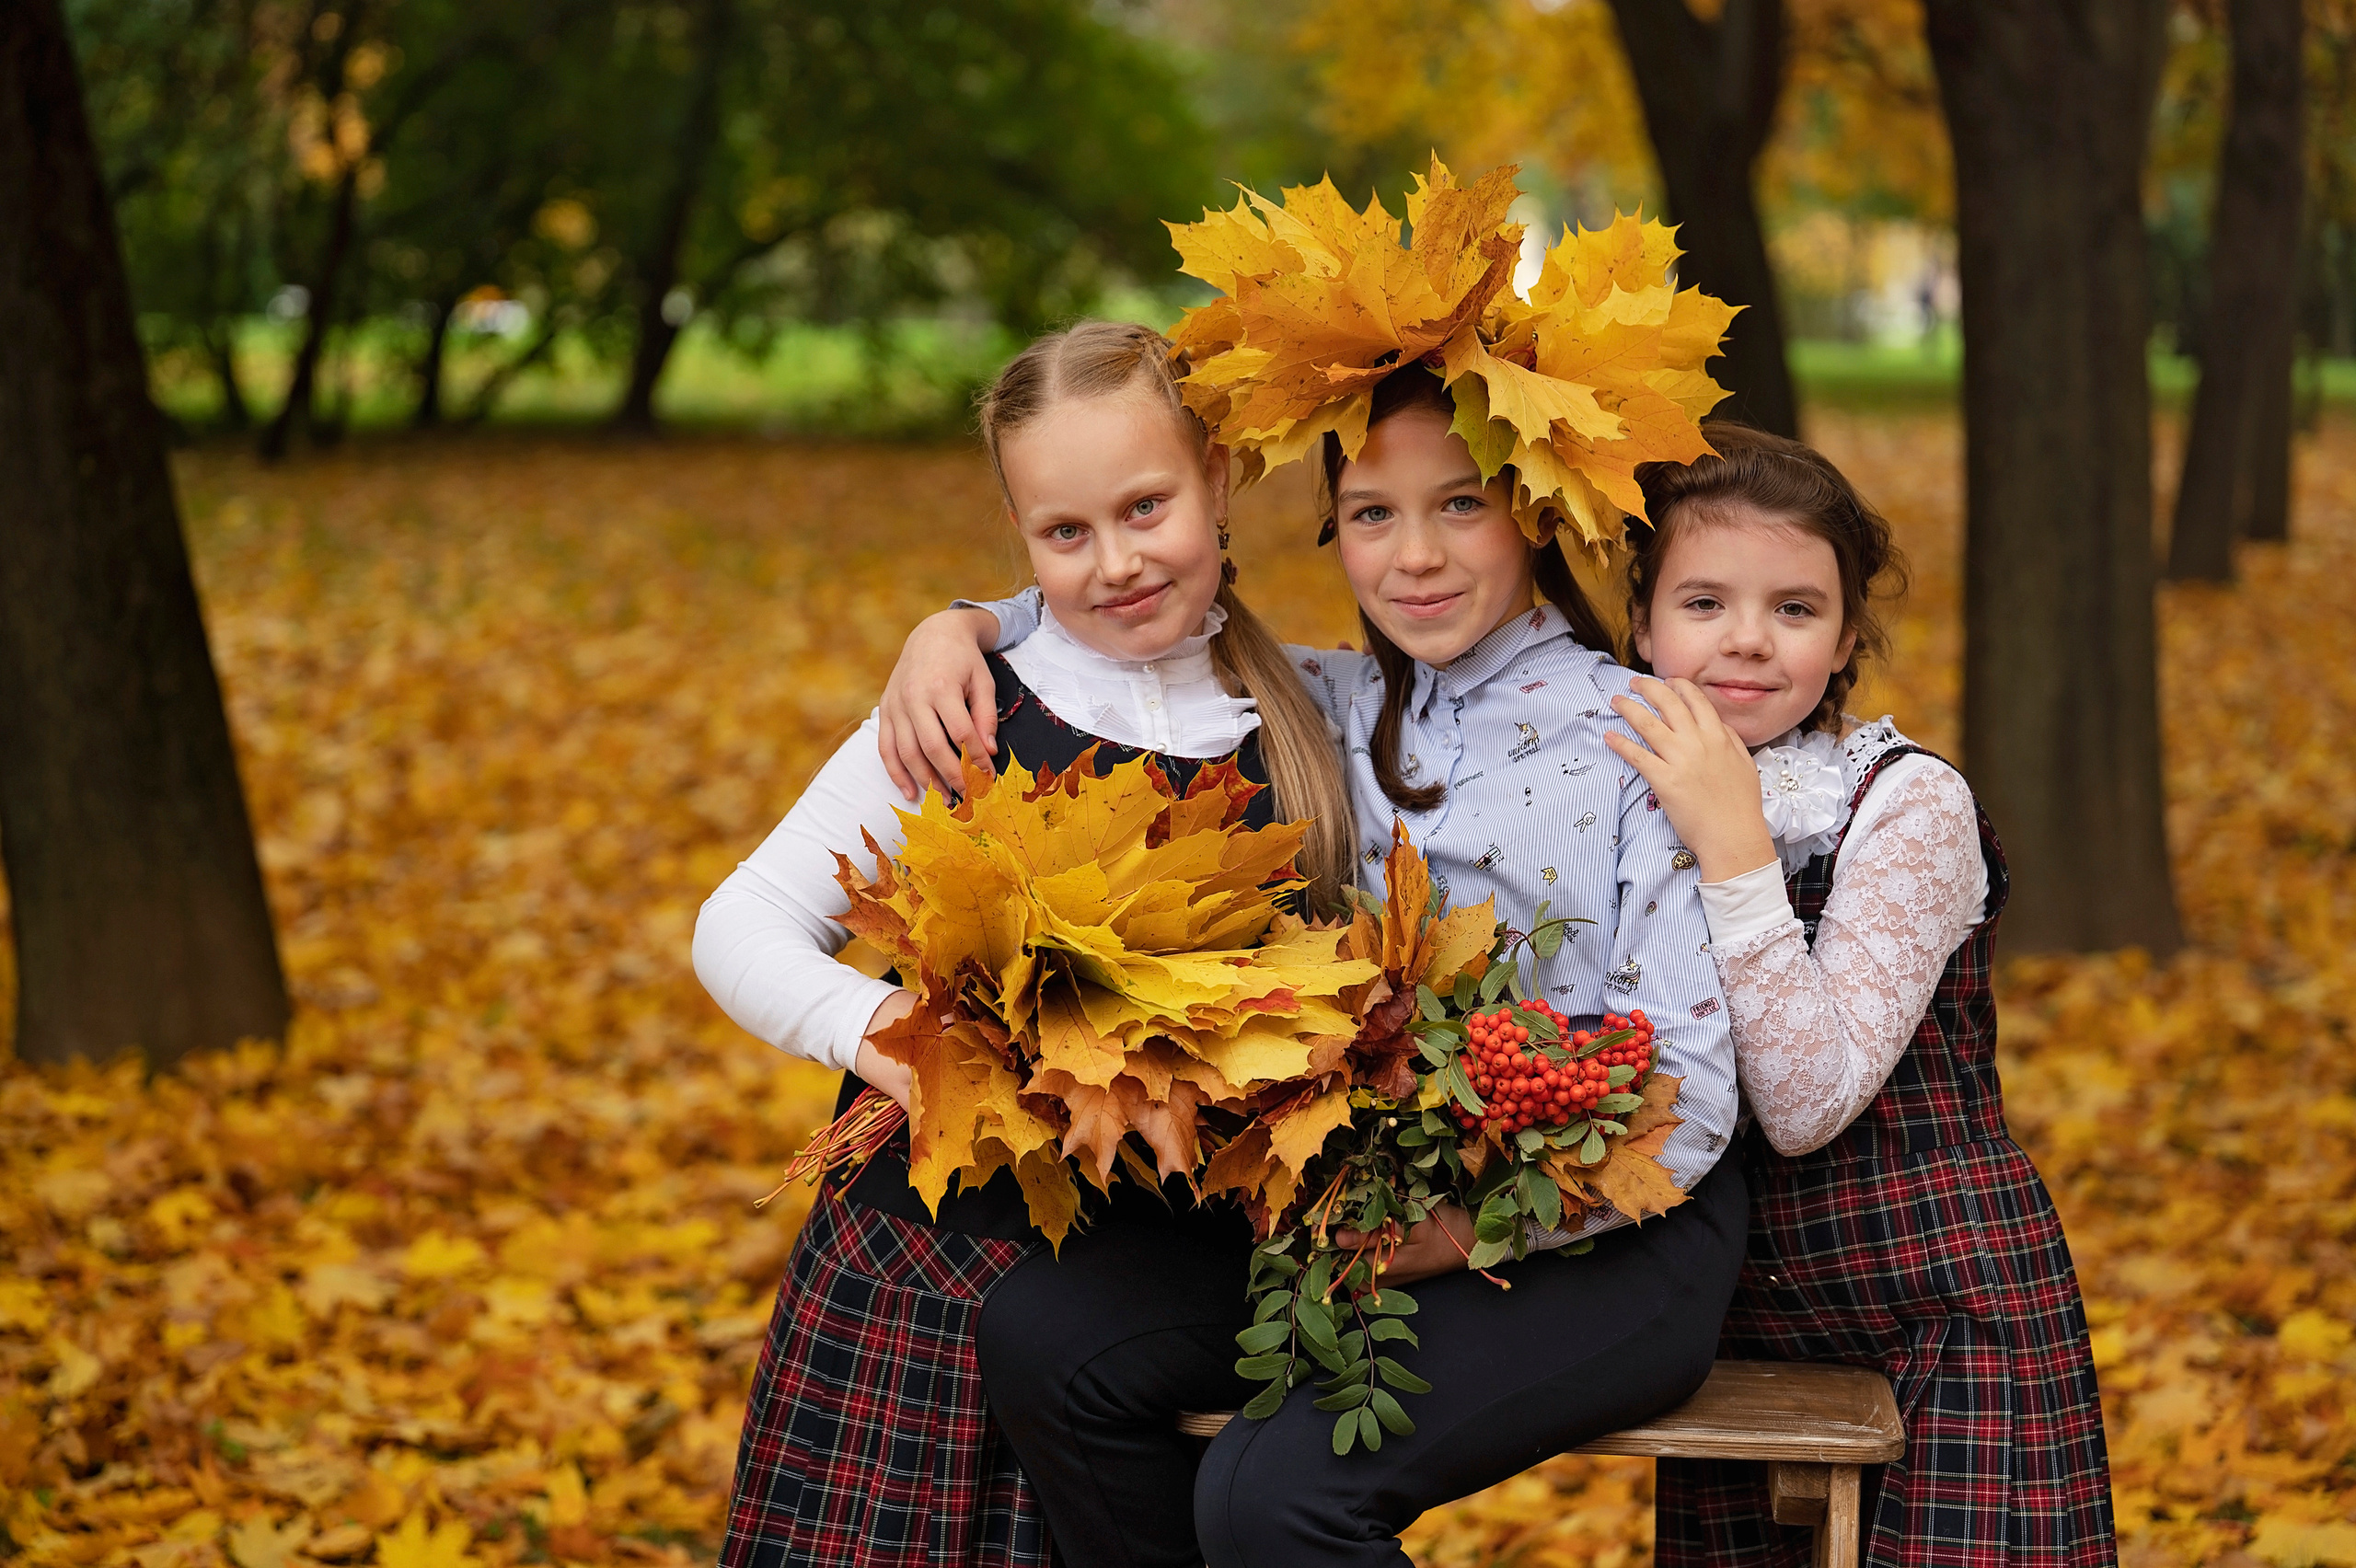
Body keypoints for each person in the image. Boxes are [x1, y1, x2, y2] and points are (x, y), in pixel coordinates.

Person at [883, 366, 1748, 1568]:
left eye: (1461, 505)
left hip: (1608, 1235)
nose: (1416, 557)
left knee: (1269, 1497)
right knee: (1053, 1339)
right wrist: (959, 627)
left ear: (1534, 509)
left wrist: (1448, 1235)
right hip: (1365, 1212)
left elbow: (1693, 1098)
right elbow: (1120, 605)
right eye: (1373, 515)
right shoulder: (1319, 706)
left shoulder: (1644, 737)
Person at [690, 318, 1356, 1568]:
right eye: (1064, 533)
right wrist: (884, 1035)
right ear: (1022, 538)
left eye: (1146, 507)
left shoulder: (1305, 720)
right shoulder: (964, 718)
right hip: (938, 1277)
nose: (1115, 561)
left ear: (1218, 479)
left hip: (1175, 1292)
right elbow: (739, 923)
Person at [1600, 422, 2115, 1566]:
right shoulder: (1607, 804)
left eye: (1795, 608)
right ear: (1640, 622)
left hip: (1941, 1313)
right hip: (1738, 1327)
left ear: (1842, 640)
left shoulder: (1902, 807)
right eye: (1702, 604)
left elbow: (1804, 1100)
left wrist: (1733, 850)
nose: (1747, 640)